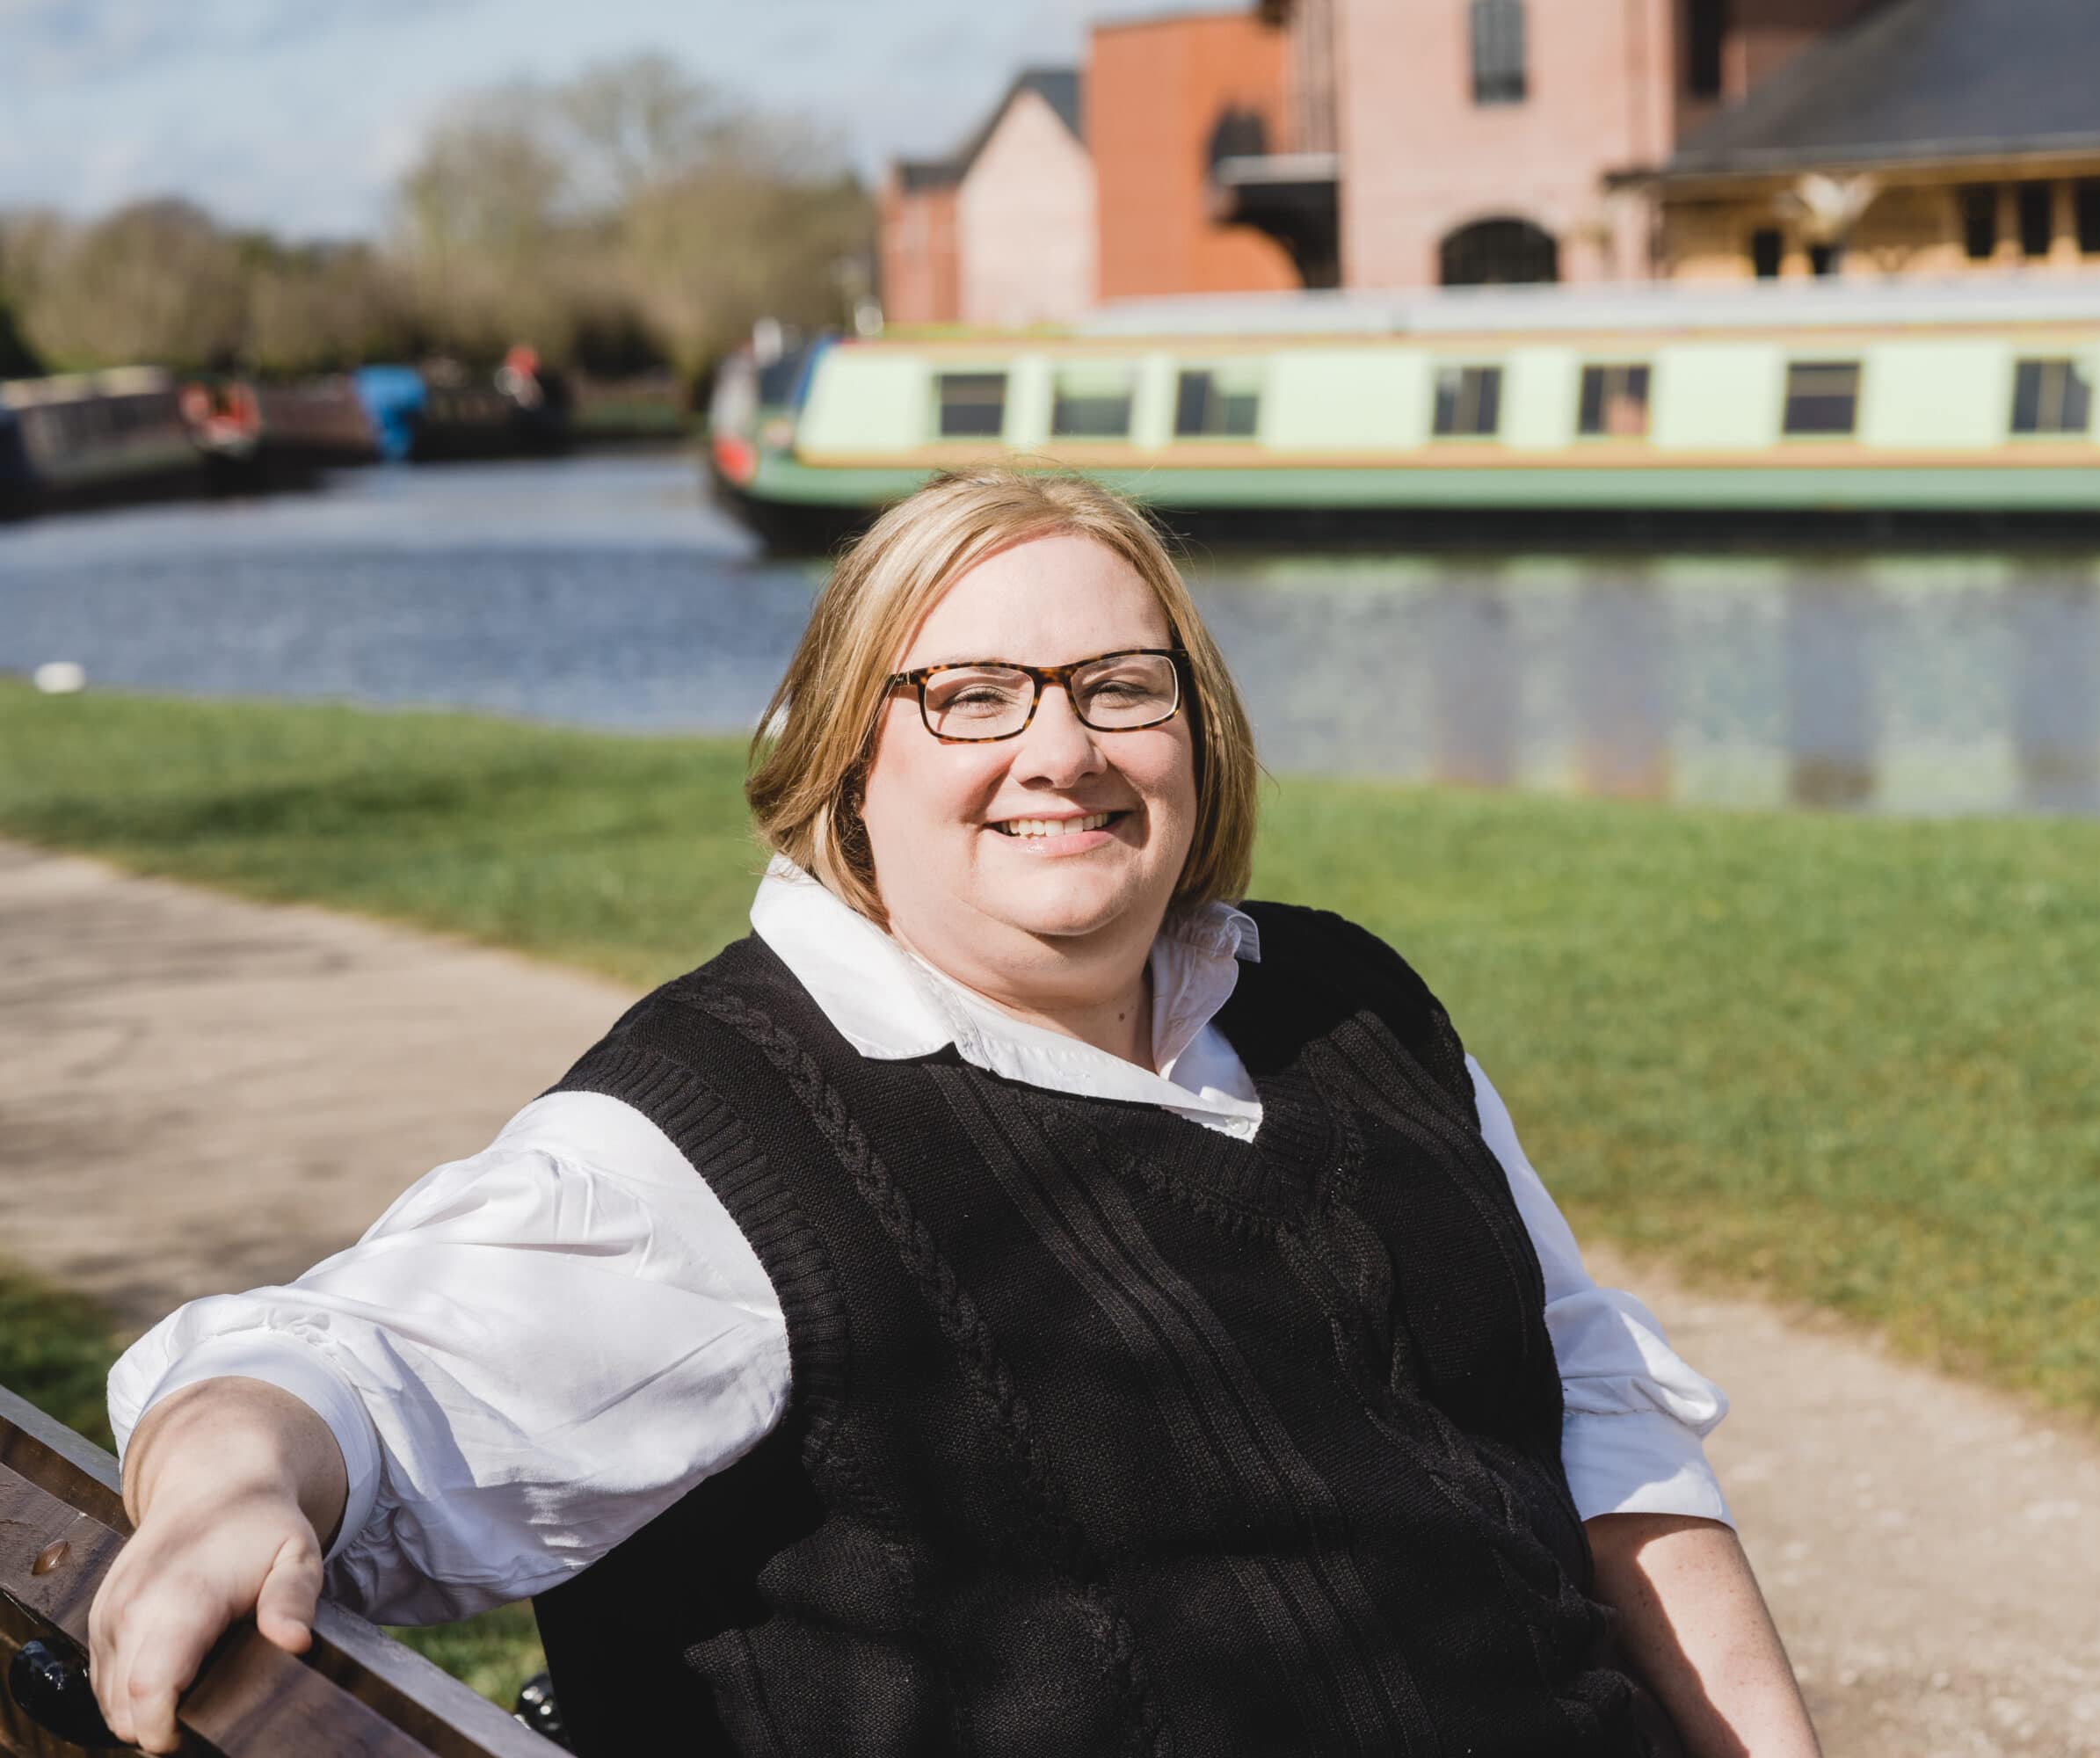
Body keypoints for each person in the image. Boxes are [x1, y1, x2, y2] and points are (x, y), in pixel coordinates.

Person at [93, 469, 1820, 1756]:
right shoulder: (715, 1145)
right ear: (852, 761)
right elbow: (359, 1369)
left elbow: (1590, 1412)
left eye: (1116, 686)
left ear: (1193, 733)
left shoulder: (1342, 1009)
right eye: (971, 696)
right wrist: (230, 1481)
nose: (1058, 749)